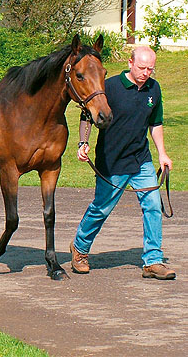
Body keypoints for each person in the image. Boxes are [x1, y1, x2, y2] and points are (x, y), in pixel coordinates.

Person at [70, 46, 175, 280]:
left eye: (150, 68)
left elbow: (155, 124)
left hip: (141, 160)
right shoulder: (111, 87)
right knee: (101, 209)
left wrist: (162, 154)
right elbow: (87, 116)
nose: (146, 73)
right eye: (141, 67)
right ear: (130, 62)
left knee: (152, 207)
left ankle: (153, 261)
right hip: (112, 161)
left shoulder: (153, 89)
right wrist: (82, 143)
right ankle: (80, 249)